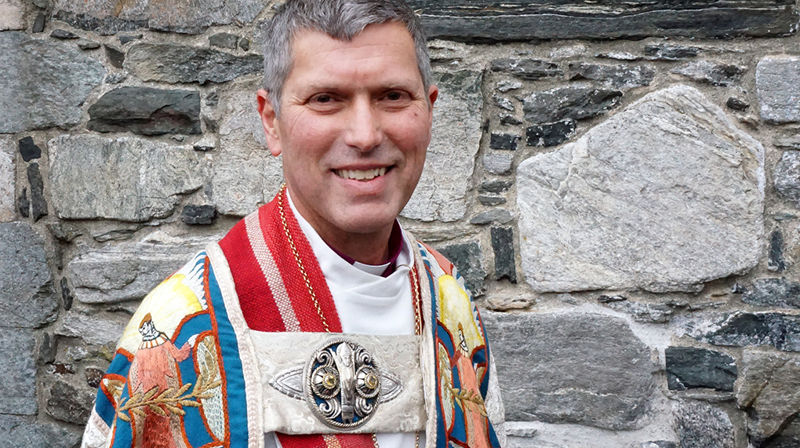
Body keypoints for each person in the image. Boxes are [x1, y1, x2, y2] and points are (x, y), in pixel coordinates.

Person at [80, 1, 504, 447]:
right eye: (326, 100)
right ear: (272, 122)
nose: (365, 135)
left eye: (392, 96)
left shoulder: (450, 301)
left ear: (430, 111)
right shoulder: (183, 321)